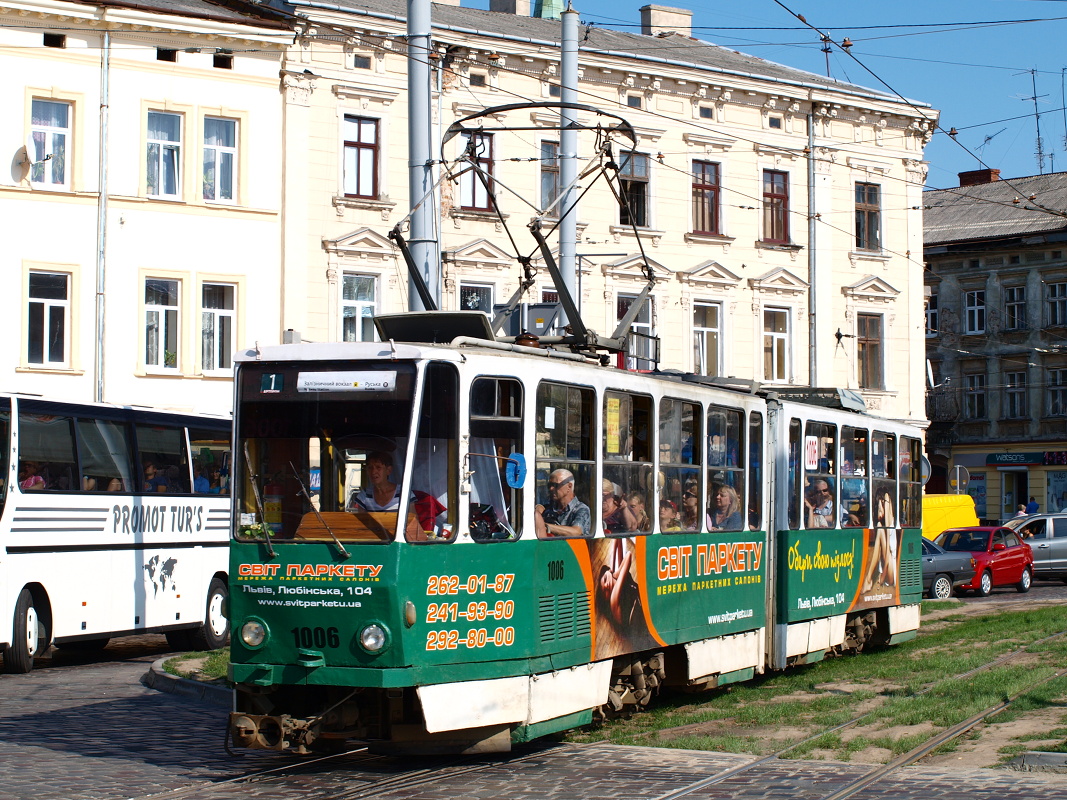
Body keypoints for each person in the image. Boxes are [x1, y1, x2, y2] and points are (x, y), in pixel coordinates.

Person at [534, 468, 591, 538]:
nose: (551, 488)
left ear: (569, 487)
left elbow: (576, 532)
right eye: (549, 485)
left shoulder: (581, 509)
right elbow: (539, 510)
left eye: (555, 485)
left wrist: (544, 526)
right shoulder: (550, 508)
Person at [597, 540, 641, 628]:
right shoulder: (613, 601)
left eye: (605, 579)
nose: (606, 586)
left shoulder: (621, 580)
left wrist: (612, 570)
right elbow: (628, 556)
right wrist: (613, 572)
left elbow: (618, 540)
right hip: (642, 620)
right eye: (604, 591)